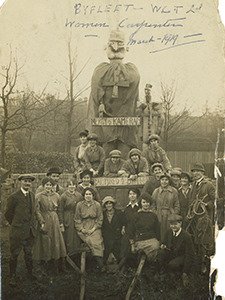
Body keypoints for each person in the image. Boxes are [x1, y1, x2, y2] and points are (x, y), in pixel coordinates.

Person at [87, 29, 140, 157]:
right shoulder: (101, 69)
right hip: (105, 122)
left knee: (125, 154)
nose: (115, 47)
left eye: (119, 43)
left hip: (125, 124)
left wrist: (117, 62)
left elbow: (133, 81)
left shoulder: (131, 70)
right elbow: (96, 90)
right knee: (106, 154)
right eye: (113, 43)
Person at [5, 174, 37, 286]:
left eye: (29, 181)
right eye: (25, 181)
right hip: (17, 231)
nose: (27, 183)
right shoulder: (14, 197)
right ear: (20, 182)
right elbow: (8, 214)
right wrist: (15, 224)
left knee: (29, 254)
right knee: (15, 254)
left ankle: (30, 273)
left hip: (29, 231)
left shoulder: (32, 195)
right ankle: (12, 276)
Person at [33, 177, 67, 274]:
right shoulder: (38, 196)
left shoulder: (56, 195)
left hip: (54, 219)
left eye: (50, 185)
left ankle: (56, 264)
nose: (48, 187)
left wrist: (60, 223)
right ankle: (45, 263)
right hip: (44, 218)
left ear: (53, 186)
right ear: (43, 186)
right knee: (45, 240)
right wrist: (41, 222)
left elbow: (59, 210)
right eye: (47, 185)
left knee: (56, 240)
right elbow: (37, 210)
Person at [158, 214, 195, 286]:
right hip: (171, 254)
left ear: (180, 223)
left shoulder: (186, 236)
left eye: (175, 224)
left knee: (173, 265)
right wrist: (162, 245)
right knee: (160, 254)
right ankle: (162, 272)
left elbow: (190, 254)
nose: (173, 226)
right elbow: (163, 242)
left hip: (182, 257)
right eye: (171, 224)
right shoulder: (169, 232)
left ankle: (178, 275)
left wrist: (185, 272)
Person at [74, 187, 104, 271]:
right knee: (88, 241)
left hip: (94, 227)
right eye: (86, 194)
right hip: (83, 227)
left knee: (97, 243)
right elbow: (77, 219)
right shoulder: (79, 205)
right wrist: (82, 229)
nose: (88, 196)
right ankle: (89, 266)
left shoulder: (97, 205)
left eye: (90, 194)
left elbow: (100, 219)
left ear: (93, 196)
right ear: (83, 195)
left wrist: (93, 229)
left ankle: (100, 265)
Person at [129, 193, 160, 262]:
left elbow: (157, 230)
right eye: (144, 202)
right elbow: (131, 230)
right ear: (140, 203)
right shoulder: (136, 215)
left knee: (155, 247)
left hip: (152, 239)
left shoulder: (153, 215)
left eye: (148, 202)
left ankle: (151, 263)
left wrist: (158, 240)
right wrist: (132, 244)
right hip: (140, 240)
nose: (146, 204)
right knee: (139, 252)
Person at [151, 173, 180, 241]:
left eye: (166, 180)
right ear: (160, 181)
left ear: (169, 181)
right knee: (160, 233)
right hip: (159, 215)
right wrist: (155, 214)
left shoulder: (174, 191)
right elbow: (152, 205)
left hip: (170, 215)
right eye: (162, 180)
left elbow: (177, 205)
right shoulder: (156, 191)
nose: (164, 181)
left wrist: (174, 215)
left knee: (171, 232)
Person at [59, 180, 83, 256]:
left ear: (76, 186)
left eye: (73, 185)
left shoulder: (79, 196)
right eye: (70, 185)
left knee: (77, 236)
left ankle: (77, 255)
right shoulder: (63, 196)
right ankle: (69, 255)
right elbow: (60, 210)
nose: (72, 187)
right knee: (69, 237)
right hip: (68, 217)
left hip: (77, 217)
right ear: (67, 187)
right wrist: (61, 223)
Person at [101, 196, 125, 271]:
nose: (108, 205)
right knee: (106, 250)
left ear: (113, 204)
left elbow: (123, 222)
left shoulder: (119, 213)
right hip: (106, 237)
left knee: (118, 250)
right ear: (105, 205)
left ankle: (119, 266)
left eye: (110, 203)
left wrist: (123, 228)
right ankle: (106, 267)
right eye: (107, 204)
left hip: (117, 236)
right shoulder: (103, 214)